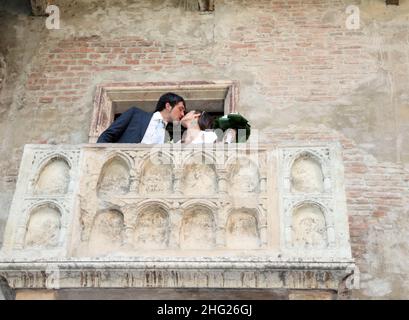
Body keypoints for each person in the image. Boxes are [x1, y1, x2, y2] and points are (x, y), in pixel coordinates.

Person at [97, 92, 186, 143]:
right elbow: (107, 135)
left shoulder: (168, 137)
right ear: (168, 106)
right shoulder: (135, 114)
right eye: (180, 109)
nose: (182, 114)